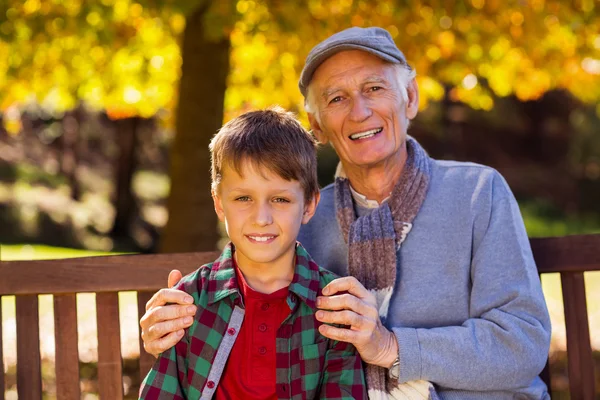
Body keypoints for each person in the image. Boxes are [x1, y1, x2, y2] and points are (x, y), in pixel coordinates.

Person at [140, 27, 551, 399]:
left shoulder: (477, 193)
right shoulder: (300, 220)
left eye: (374, 88)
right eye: (336, 98)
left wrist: (390, 346)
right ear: (315, 126)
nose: (359, 111)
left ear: (410, 97)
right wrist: (173, 324)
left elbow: (523, 344)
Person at [139, 108, 367, 399]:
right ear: (219, 203)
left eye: (280, 199)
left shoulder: (332, 306)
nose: (262, 217)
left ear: (309, 204)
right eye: (243, 198)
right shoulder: (190, 299)